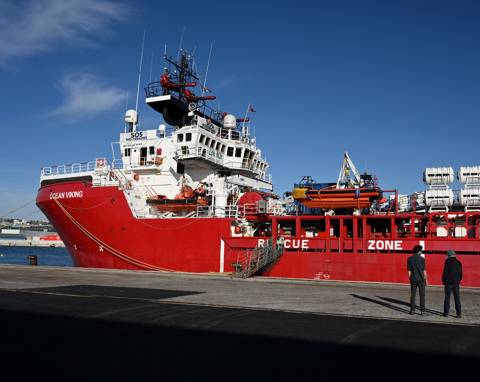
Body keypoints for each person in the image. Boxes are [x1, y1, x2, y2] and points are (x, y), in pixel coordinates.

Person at [407, 244, 427, 315]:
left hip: (413, 279)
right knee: (422, 295)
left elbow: (409, 271)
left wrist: (410, 278)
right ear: (419, 251)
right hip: (421, 279)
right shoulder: (422, 259)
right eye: (421, 250)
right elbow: (424, 271)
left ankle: (412, 310)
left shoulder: (409, 259)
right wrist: (426, 280)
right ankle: (422, 311)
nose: (422, 251)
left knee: (413, 295)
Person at [442, 250, 463, 318]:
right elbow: (461, 274)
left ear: (449, 255)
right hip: (456, 283)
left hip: (448, 283)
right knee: (457, 298)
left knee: (447, 298)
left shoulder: (447, 262)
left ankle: (446, 313)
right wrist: (458, 281)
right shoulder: (458, 262)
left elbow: (445, 272)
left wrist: (444, 281)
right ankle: (458, 314)